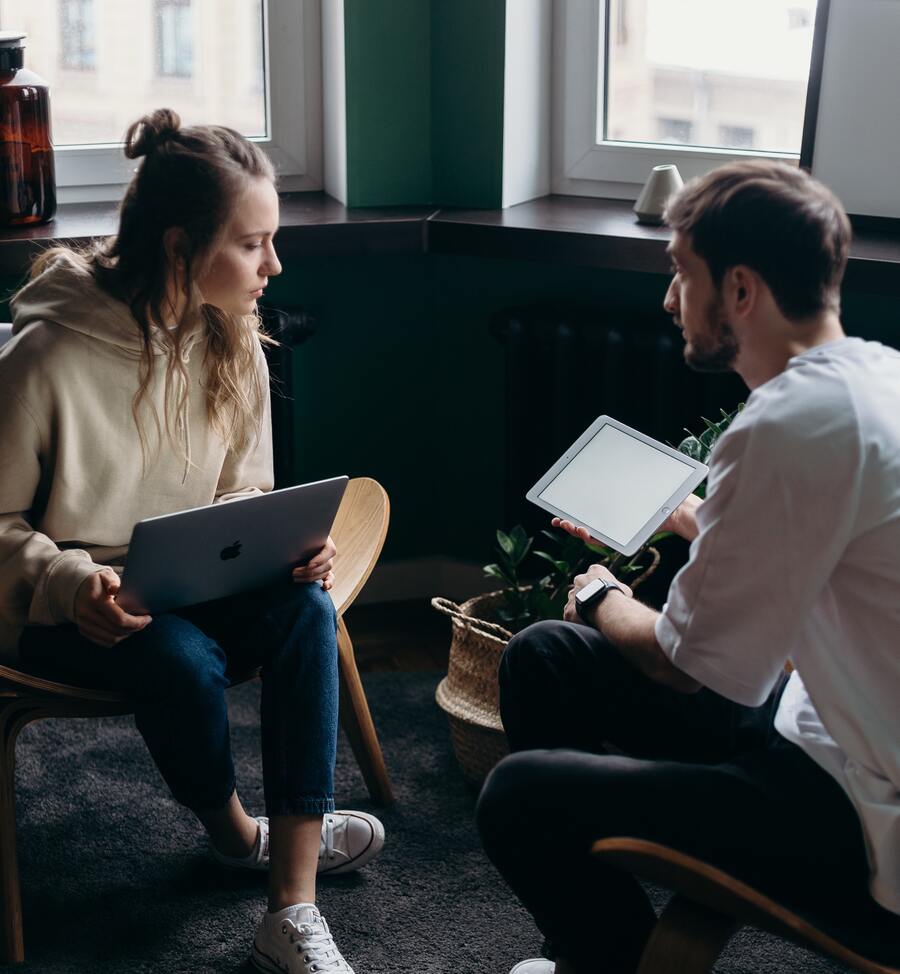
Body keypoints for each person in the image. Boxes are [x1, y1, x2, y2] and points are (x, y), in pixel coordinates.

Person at [477, 160, 900, 974]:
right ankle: (599, 950)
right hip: (822, 727)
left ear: (739, 290)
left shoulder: (787, 423)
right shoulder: (871, 378)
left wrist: (598, 595)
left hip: (852, 813)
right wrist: (689, 516)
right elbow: (814, 546)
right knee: (545, 656)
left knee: (518, 795)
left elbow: (681, 666)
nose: (669, 300)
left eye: (681, 274)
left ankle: (612, 957)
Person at [0, 108, 383, 974]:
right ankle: (234, 835)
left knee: (302, 606)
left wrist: (286, 548)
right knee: (180, 660)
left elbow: (242, 492)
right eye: (253, 244)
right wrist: (69, 584)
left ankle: (291, 904)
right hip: (72, 609)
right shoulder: (45, 357)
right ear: (180, 248)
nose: (274, 265)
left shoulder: (233, 337)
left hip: (189, 581)